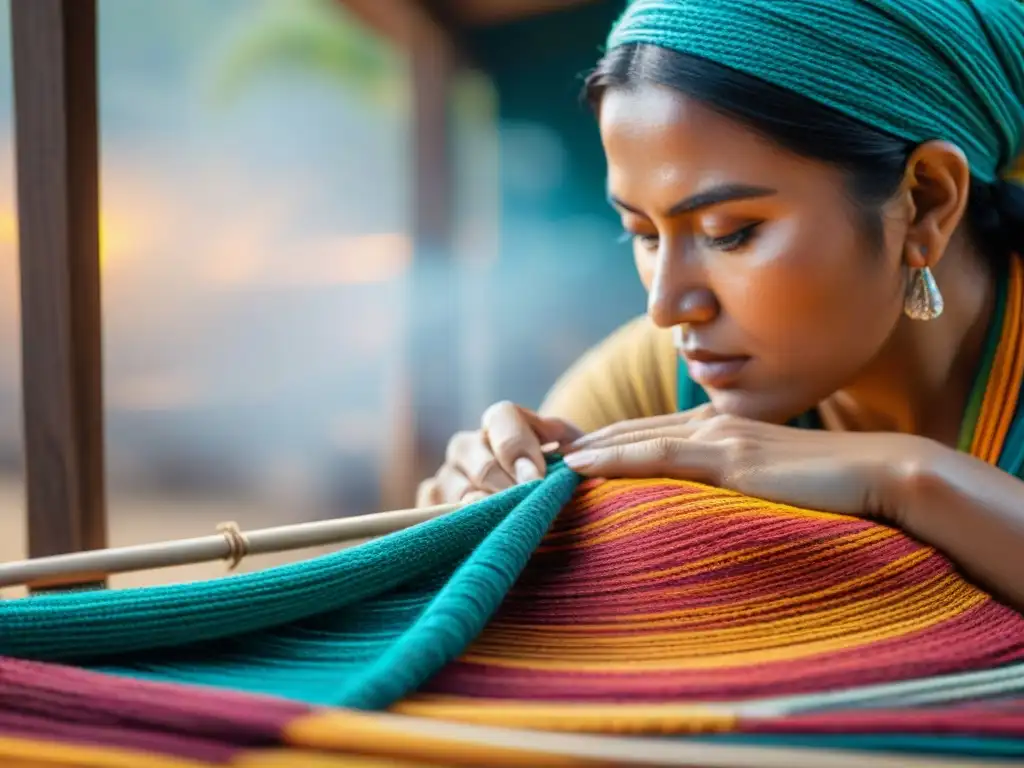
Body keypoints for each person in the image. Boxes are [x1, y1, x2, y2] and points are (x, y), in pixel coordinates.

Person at [416, 0, 1024, 609]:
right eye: (644, 235)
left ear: (924, 201)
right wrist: (472, 507)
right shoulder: (650, 380)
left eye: (730, 231)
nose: (667, 307)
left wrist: (907, 480)